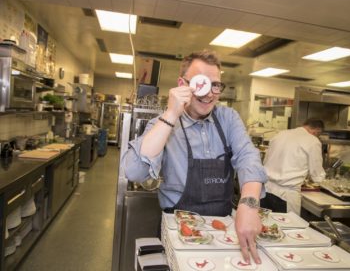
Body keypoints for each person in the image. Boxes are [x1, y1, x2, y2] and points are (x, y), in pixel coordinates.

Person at [122, 50, 267, 264]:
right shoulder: (163, 124)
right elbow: (134, 171)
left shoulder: (228, 118)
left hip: (224, 230)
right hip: (179, 229)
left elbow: (248, 157)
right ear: (182, 83)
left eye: (215, 85)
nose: (209, 94)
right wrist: (171, 114)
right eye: (202, 84)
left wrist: (248, 203)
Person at [260, 118, 326, 215]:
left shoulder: (280, 134)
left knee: (266, 226)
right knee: (288, 228)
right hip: (286, 196)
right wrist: (322, 180)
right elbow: (317, 175)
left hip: (266, 190)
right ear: (316, 131)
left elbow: (266, 161)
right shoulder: (313, 141)